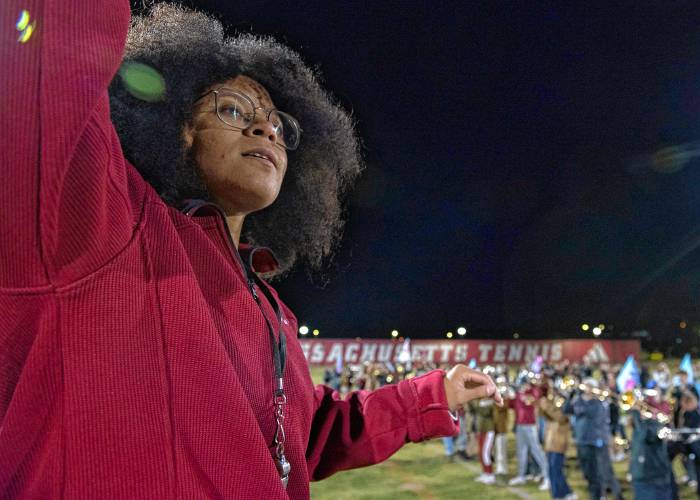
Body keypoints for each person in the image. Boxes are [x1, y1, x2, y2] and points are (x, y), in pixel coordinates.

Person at [0, 3, 503, 497]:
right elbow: (46, 62)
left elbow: (299, 436)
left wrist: (425, 397)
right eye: (233, 110)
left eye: (278, 127)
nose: (266, 130)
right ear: (179, 129)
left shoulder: (273, 310)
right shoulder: (100, 228)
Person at [566, 378, 622, 500]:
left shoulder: (599, 401)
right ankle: (596, 495)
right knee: (588, 472)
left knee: (605, 471)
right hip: (583, 441)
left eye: (590, 386)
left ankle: (617, 496)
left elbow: (590, 412)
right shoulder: (578, 400)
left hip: (598, 441)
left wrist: (585, 400)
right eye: (586, 385)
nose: (587, 388)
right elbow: (567, 410)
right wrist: (570, 395)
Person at [508, 379, 550, 490]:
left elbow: (530, 400)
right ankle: (521, 476)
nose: (523, 386)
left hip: (530, 426)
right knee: (521, 451)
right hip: (519, 425)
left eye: (525, 384)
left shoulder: (533, 391)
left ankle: (547, 477)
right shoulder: (517, 394)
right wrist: (508, 395)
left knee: (536, 451)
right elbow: (509, 405)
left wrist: (521, 393)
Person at [629, 408, 674, 499]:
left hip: (652, 476)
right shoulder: (639, 428)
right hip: (643, 475)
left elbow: (649, 436)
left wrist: (639, 415)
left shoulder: (652, 426)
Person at [539, 392, 577, 499]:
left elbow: (558, 417)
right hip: (550, 445)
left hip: (559, 446)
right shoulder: (553, 412)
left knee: (556, 470)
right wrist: (542, 405)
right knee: (552, 470)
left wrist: (546, 406)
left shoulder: (565, 416)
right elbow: (544, 414)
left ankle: (559, 494)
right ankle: (565, 493)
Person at [469, 397, 497, 484]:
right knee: (481, 453)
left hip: (489, 431)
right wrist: (469, 401)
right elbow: (472, 411)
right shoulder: (479, 402)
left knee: (485, 454)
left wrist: (476, 404)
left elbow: (485, 412)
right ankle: (485, 473)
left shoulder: (490, 402)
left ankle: (491, 475)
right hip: (481, 431)